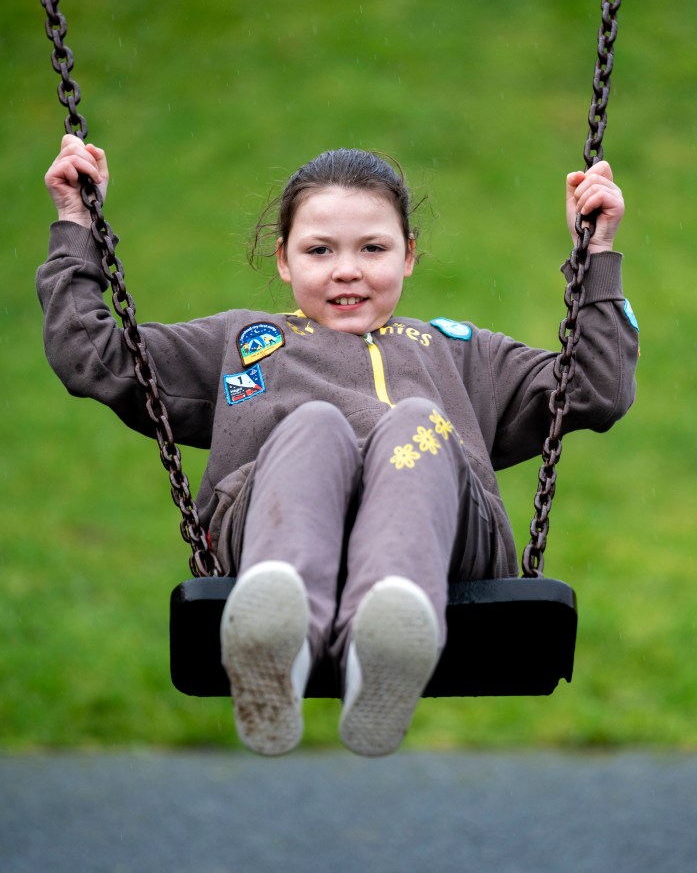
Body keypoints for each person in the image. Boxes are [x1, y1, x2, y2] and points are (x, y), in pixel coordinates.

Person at [38, 136, 638, 757]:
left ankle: (390, 634)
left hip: (448, 547)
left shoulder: (460, 353)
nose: (346, 269)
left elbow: (597, 388)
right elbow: (93, 355)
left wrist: (596, 256)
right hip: (270, 529)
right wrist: (77, 225)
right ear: (283, 260)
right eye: (319, 250)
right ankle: (276, 634)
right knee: (314, 424)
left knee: (413, 422)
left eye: (372, 248)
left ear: (409, 255)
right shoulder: (243, 343)